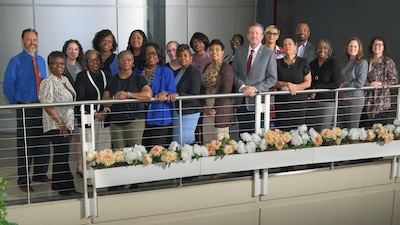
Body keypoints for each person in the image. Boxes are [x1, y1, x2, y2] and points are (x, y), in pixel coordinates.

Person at [3, 28, 51, 193]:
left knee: (43, 142)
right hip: (25, 107)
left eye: (35, 39)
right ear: (22, 41)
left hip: (42, 107)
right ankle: (23, 180)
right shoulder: (15, 61)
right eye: (29, 39)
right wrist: (16, 105)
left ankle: (40, 173)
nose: (32, 43)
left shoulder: (42, 60)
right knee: (25, 144)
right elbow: (8, 85)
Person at [38, 51, 80, 196]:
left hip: (66, 124)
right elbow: (47, 104)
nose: (59, 65)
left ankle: (57, 185)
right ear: (50, 66)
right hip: (56, 125)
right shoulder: (48, 82)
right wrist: (60, 123)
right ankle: (66, 189)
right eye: (55, 63)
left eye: (62, 63)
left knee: (61, 154)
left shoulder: (65, 79)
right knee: (62, 155)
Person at [232, 23, 277, 134]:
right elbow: (233, 72)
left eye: (257, 33)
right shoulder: (240, 51)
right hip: (241, 100)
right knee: (242, 135)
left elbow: (272, 79)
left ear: (262, 36)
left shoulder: (269, 54)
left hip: (258, 101)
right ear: (247, 36)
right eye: (252, 33)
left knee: (257, 137)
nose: (254, 36)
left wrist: (255, 88)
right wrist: (242, 86)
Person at [102, 50, 152, 148]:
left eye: (129, 60)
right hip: (116, 122)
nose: (126, 62)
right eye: (123, 59)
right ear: (118, 62)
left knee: (135, 154)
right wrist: (114, 98)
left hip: (135, 121)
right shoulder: (113, 80)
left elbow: (148, 94)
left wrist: (129, 95)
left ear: (133, 62)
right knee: (119, 154)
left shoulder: (139, 78)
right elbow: (105, 102)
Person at [135, 42, 177, 148]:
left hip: (159, 116)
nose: (151, 56)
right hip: (140, 116)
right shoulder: (138, 72)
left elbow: (172, 90)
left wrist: (165, 93)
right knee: (142, 150)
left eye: (154, 53)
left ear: (158, 55)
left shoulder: (166, 71)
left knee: (157, 151)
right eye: (148, 53)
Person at [75, 50, 112, 151]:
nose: (95, 63)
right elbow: (80, 99)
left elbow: (111, 95)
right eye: (91, 60)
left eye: (97, 60)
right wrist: (94, 113)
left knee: (104, 153)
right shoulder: (81, 77)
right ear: (86, 62)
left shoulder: (107, 75)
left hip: (105, 119)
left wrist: (105, 111)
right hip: (88, 119)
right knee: (89, 154)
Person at [201, 39, 235, 143]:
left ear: (222, 52)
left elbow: (226, 90)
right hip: (207, 105)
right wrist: (205, 107)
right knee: (207, 137)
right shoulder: (207, 66)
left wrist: (214, 109)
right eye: (211, 50)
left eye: (217, 49)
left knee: (220, 140)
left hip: (221, 106)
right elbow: (202, 87)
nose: (214, 52)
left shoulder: (226, 68)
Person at [274, 37, 311, 131]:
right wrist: (286, 84)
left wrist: (295, 87)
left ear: (295, 47)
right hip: (282, 104)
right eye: (285, 44)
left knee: (298, 132)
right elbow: (273, 82)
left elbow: (308, 82)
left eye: (290, 44)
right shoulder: (277, 63)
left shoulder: (303, 61)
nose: (287, 46)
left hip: (298, 103)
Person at [361, 36, 398, 128]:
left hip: (381, 102)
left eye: (380, 45)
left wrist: (381, 83)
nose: (377, 46)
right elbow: (361, 77)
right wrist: (368, 84)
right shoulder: (365, 61)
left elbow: (394, 79)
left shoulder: (388, 62)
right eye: (375, 44)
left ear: (384, 47)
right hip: (366, 100)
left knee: (378, 130)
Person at [168, 44, 201, 144]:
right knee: (177, 141)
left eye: (185, 55)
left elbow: (194, 95)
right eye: (180, 55)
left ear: (191, 58)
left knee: (185, 141)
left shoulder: (194, 73)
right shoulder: (177, 72)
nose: (182, 58)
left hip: (189, 111)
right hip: (177, 110)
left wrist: (179, 95)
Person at [306, 39, 341, 131]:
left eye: (325, 48)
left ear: (329, 50)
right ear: (316, 50)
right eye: (319, 47)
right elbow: (309, 82)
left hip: (327, 102)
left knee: (324, 130)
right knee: (313, 129)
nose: (322, 50)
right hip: (313, 101)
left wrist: (317, 88)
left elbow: (336, 84)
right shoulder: (312, 64)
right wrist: (311, 91)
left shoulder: (333, 63)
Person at [62, 39, 84, 177]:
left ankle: (80, 167)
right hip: (66, 109)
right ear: (65, 51)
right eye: (70, 49)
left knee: (79, 139)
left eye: (76, 49)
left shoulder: (83, 66)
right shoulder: (61, 66)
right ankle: (65, 170)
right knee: (66, 140)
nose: (73, 51)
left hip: (79, 109)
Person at [338, 37, 368, 129]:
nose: (352, 48)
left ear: (359, 48)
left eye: (355, 46)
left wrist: (344, 85)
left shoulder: (362, 63)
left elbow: (360, 83)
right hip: (341, 100)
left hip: (354, 100)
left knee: (352, 129)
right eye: (350, 46)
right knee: (342, 130)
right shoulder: (344, 62)